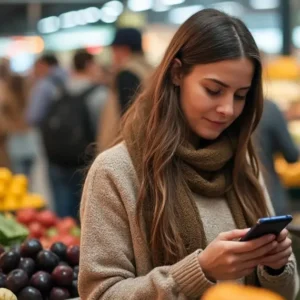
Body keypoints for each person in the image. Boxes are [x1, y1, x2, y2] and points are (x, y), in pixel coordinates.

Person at [79, 9, 298, 300]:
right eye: (213, 90)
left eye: (241, 95)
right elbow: (100, 294)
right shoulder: (116, 171)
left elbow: (288, 291)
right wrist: (200, 271)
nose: (228, 109)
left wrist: (276, 266)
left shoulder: (242, 164)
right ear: (177, 73)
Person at [47, 49, 107, 219]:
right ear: (89, 65)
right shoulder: (99, 94)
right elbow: (103, 132)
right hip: (85, 163)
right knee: (85, 214)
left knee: (62, 212)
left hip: (57, 159)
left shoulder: (59, 90)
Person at [97, 27, 153, 151]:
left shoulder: (127, 73)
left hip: (125, 148)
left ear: (124, 49)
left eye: (114, 50)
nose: (113, 55)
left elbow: (127, 116)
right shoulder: (148, 70)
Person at [256, 99, 299, 215]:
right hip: (269, 194)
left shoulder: (228, 109)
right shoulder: (268, 108)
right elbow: (291, 155)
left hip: (235, 198)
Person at [0, 74, 38, 177]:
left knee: (18, 176)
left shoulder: (7, 101)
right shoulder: (30, 97)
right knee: (28, 176)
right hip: (30, 140)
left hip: (14, 140)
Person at [26, 54, 67, 126]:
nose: (34, 71)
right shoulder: (68, 77)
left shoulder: (43, 85)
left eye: (35, 67)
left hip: (50, 129)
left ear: (43, 65)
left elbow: (33, 116)